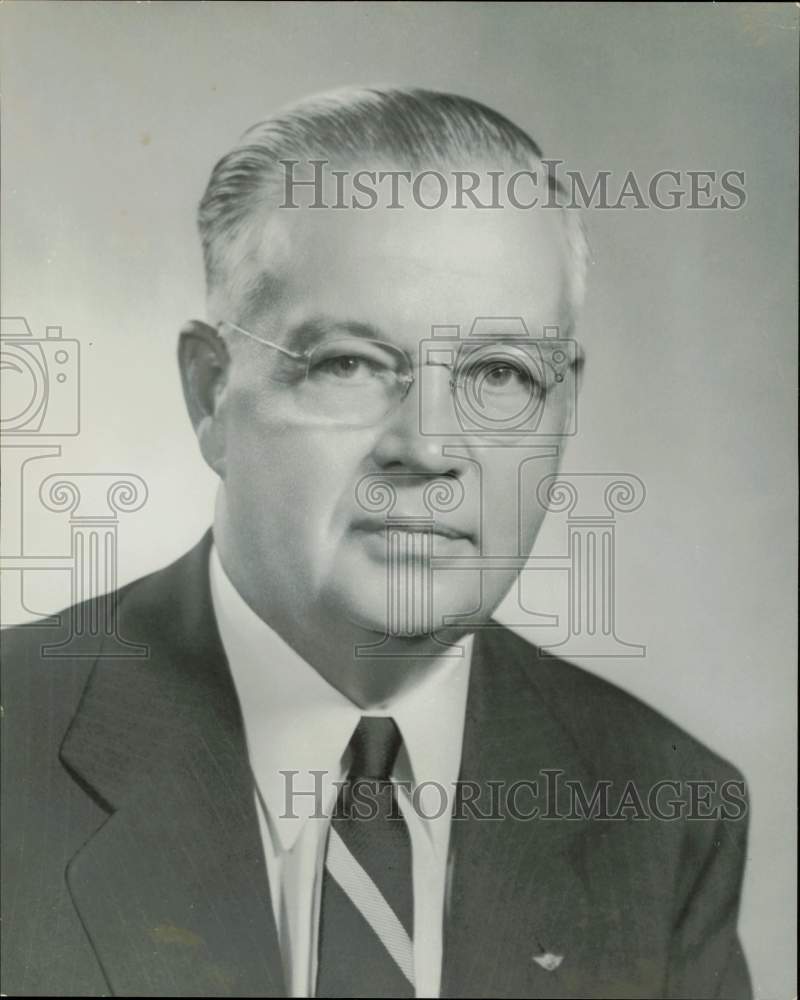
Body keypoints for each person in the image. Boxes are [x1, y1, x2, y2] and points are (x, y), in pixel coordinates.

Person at [1, 87, 751, 999]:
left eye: (499, 373)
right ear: (211, 394)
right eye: (348, 364)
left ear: (563, 406)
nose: (429, 447)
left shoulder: (664, 814)